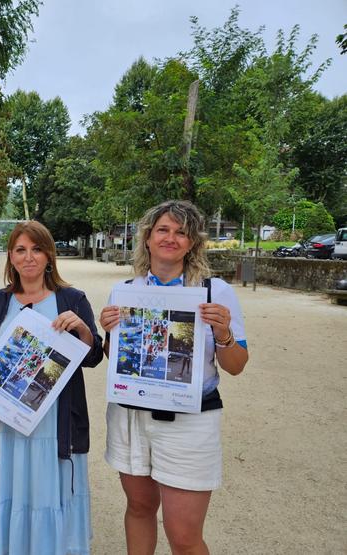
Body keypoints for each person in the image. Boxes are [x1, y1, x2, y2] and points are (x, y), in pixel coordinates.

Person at [98, 200, 249, 555]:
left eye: (181, 232)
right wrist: (111, 335)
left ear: (193, 242)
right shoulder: (126, 290)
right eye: (163, 230)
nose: (171, 238)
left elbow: (237, 364)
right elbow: (118, 360)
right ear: (147, 238)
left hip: (190, 421)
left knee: (183, 536)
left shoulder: (215, 292)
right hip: (131, 415)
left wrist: (224, 333)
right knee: (138, 508)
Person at [0, 221, 104, 555]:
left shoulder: (71, 299)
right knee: (12, 486)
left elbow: (93, 357)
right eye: (20, 250)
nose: (29, 257)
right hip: (7, 421)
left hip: (54, 421)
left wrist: (84, 330)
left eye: (37, 249)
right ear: (11, 258)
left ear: (49, 256)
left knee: (48, 488)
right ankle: (7, 542)